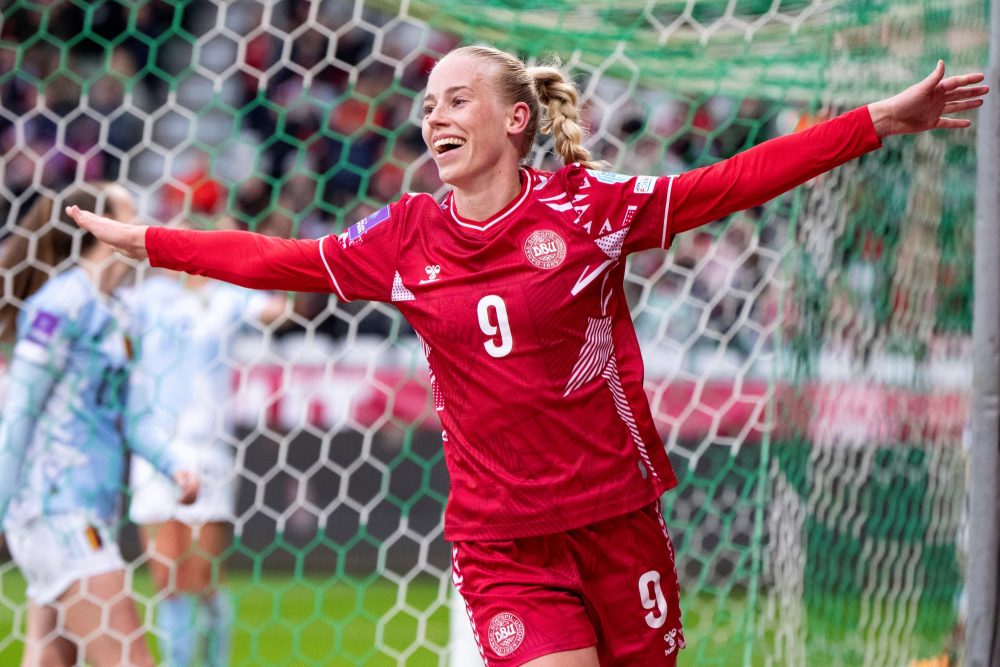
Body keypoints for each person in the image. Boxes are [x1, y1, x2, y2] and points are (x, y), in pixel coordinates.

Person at [67, 49, 987, 666]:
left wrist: (877, 120)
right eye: (426, 107)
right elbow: (278, 261)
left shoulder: (590, 210)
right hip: (504, 541)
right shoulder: (405, 235)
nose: (433, 118)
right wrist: (154, 242)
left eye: (456, 101)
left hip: (617, 519)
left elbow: (730, 181)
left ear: (515, 120)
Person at [0, 183, 200, 667]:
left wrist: (175, 463)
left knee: (51, 659)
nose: (141, 228)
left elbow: (133, 414)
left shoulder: (123, 312)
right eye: (131, 216)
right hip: (55, 512)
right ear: (96, 229)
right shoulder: (60, 305)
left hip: (90, 510)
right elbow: (19, 415)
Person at [124, 218, 287, 667]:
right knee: (166, 579)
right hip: (154, 450)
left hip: (207, 450)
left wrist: (249, 252)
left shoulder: (227, 297)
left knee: (203, 576)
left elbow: (280, 309)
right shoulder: (147, 299)